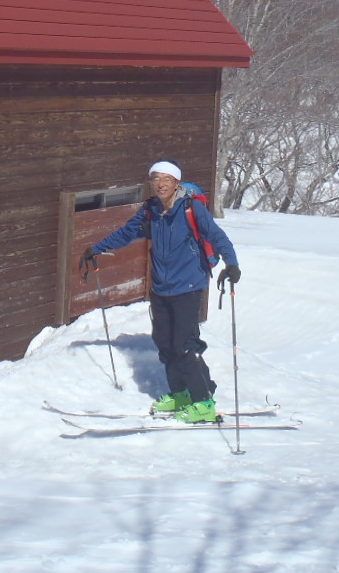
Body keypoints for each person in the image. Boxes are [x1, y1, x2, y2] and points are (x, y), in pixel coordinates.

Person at [79, 160, 241, 423]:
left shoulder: (191, 208)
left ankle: (203, 402)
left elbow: (217, 236)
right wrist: (95, 248)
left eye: (167, 179)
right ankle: (180, 394)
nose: (161, 184)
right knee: (165, 344)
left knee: (185, 346)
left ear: (176, 183)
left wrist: (232, 264)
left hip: (188, 286)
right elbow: (126, 233)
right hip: (161, 288)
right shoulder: (150, 210)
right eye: (156, 179)